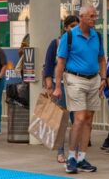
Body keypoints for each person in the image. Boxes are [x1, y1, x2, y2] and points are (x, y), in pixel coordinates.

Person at [53, 6, 107, 174]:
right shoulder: (68, 37)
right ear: (81, 17)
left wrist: (104, 78)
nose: (94, 18)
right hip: (75, 79)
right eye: (91, 16)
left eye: (95, 16)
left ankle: (82, 158)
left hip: (94, 79)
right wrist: (57, 87)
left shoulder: (96, 36)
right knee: (80, 117)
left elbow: (102, 59)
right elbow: (60, 63)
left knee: (89, 119)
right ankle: (71, 157)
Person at [43, 15, 79, 163]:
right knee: (61, 120)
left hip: (76, 84)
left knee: (76, 120)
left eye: (77, 25)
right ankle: (60, 151)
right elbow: (48, 64)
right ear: (66, 27)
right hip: (61, 86)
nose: (75, 28)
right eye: (72, 26)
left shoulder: (81, 42)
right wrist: (49, 85)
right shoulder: (56, 43)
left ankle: (75, 151)